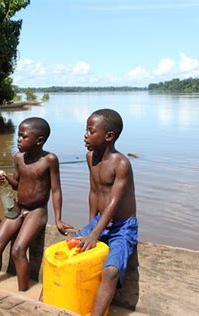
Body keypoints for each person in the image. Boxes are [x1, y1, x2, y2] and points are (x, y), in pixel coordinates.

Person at [0, 117, 74, 291]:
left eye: (23, 136)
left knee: (18, 250)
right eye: (18, 135)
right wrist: (4, 179)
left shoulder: (49, 159)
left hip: (37, 211)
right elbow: (17, 184)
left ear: (39, 140)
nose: (18, 139)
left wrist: (58, 219)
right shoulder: (19, 158)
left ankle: (22, 294)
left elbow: (56, 190)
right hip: (18, 208)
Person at [74, 109, 138, 315]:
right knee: (69, 250)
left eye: (90, 131)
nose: (85, 135)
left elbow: (114, 203)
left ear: (109, 136)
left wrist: (95, 234)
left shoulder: (121, 163)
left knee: (110, 272)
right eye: (86, 130)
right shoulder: (90, 157)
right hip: (101, 220)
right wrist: (90, 226)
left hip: (122, 226)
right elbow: (94, 192)